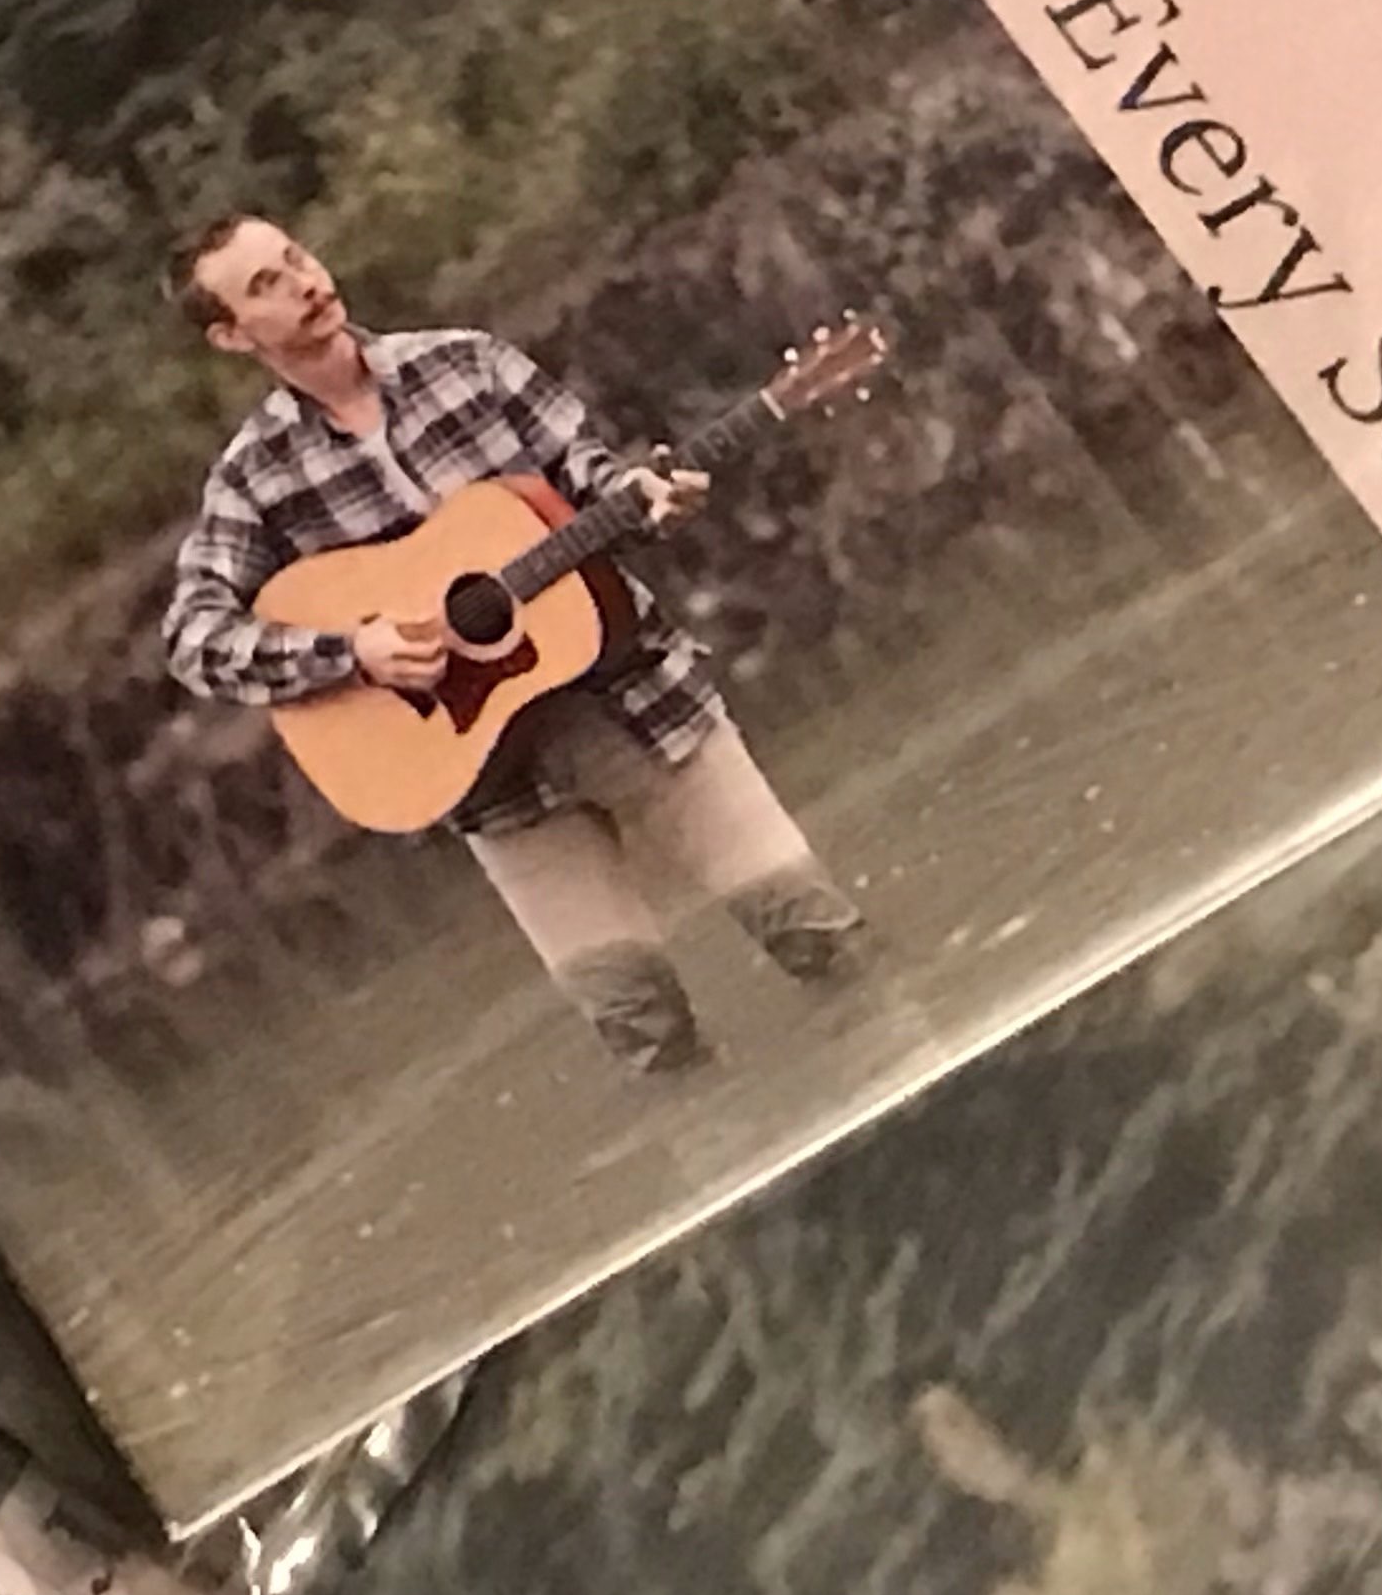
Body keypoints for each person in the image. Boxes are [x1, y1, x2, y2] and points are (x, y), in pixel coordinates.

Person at [159, 212, 863, 1073]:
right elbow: (195, 639)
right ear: (231, 335)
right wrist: (355, 650)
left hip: (639, 705)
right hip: (493, 785)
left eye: (295, 258)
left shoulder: (468, 362)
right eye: (266, 285)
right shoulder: (253, 476)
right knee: (646, 1036)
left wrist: (640, 493)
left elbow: (588, 471)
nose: (306, 282)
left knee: (825, 941)